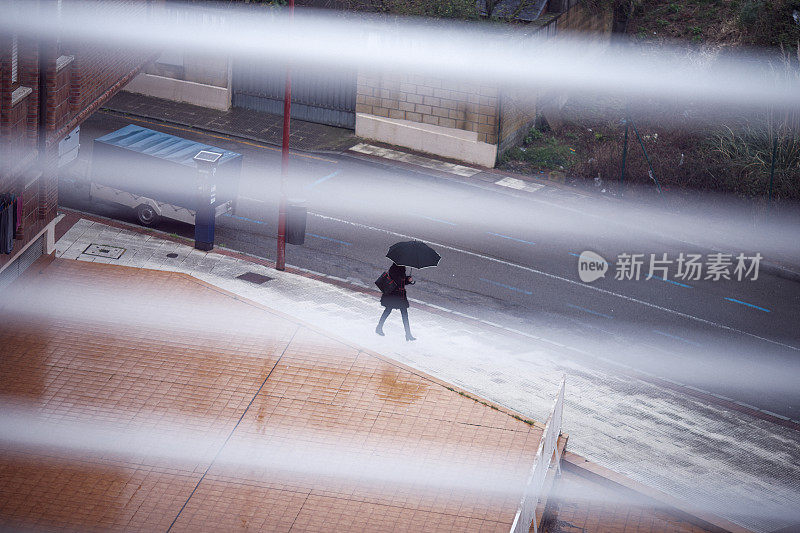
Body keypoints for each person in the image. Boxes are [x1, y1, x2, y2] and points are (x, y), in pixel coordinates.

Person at [375, 262, 416, 341]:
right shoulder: (394, 268)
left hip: (399, 295)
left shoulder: (401, 267)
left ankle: (408, 334)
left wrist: (408, 280)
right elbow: (398, 281)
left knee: (403, 314)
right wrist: (406, 279)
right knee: (388, 311)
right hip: (394, 295)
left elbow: (401, 281)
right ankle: (379, 327)